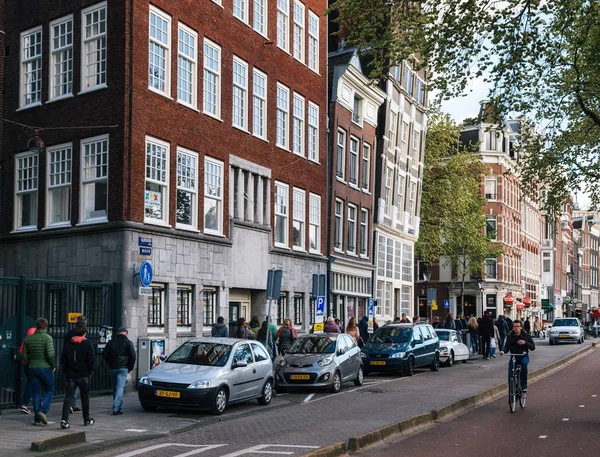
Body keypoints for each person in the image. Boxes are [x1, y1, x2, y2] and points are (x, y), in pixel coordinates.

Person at [60, 323, 95, 429]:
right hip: (83, 375)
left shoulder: (68, 344)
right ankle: (86, 419)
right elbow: (91, 360)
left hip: (71, 375)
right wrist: (90, 371)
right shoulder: (88, 344)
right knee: (84, 397)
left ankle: (64, 420)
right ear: (85, 333)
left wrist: (66, 370)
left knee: (68, 397)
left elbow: (63, 360)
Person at [22, 317, 56, 426]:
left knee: (36, 392)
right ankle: (43, 410)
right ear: (46, 327)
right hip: (45, 367)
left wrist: (29, 364)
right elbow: (50, 354)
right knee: (50, 389)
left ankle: (37, 419)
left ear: (36, 326)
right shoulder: (48, 338)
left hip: (32, 367)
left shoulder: (28, 339)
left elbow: (24, 355)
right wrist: (53, 366)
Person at [103, 327, 136, 415]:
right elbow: (133, 356)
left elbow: (105, 354)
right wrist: (130, 367)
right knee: (120, 388)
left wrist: (110, 363)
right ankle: (116, 408)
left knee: (114, 388)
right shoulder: (128, 343)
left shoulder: (111, 342)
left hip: (113, 367)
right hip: (123, 368)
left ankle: (117, 405)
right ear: (126, 334)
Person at [501, 319, 535, 392]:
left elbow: (533, 347)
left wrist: (525, 343)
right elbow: (506, 346)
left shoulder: (526, 335)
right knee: (511, 372)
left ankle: (524, 386)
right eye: (514, 326)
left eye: (518, 326)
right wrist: (503, 351)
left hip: (524, 356)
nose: (516, 328)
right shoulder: (510, 336)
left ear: (521, 327)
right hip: (514, 356)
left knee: (523, 365)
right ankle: (512, 392)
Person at [63, 315, 88, 414]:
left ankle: (71, 405)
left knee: (70, 386)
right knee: (80, 388)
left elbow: (65, 349)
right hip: (81, 366)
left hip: (69, 364)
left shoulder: (69, 334)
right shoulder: (84, 335)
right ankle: (72, 405)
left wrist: (64, 363)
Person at [19, 326, 36, 415]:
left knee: (32, 382)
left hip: (25, 363)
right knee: (31, 383)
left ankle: (37, 401)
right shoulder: (34, 341)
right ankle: (25, 404)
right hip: (33, 364)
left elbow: (21, 351)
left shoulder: (26, 340)